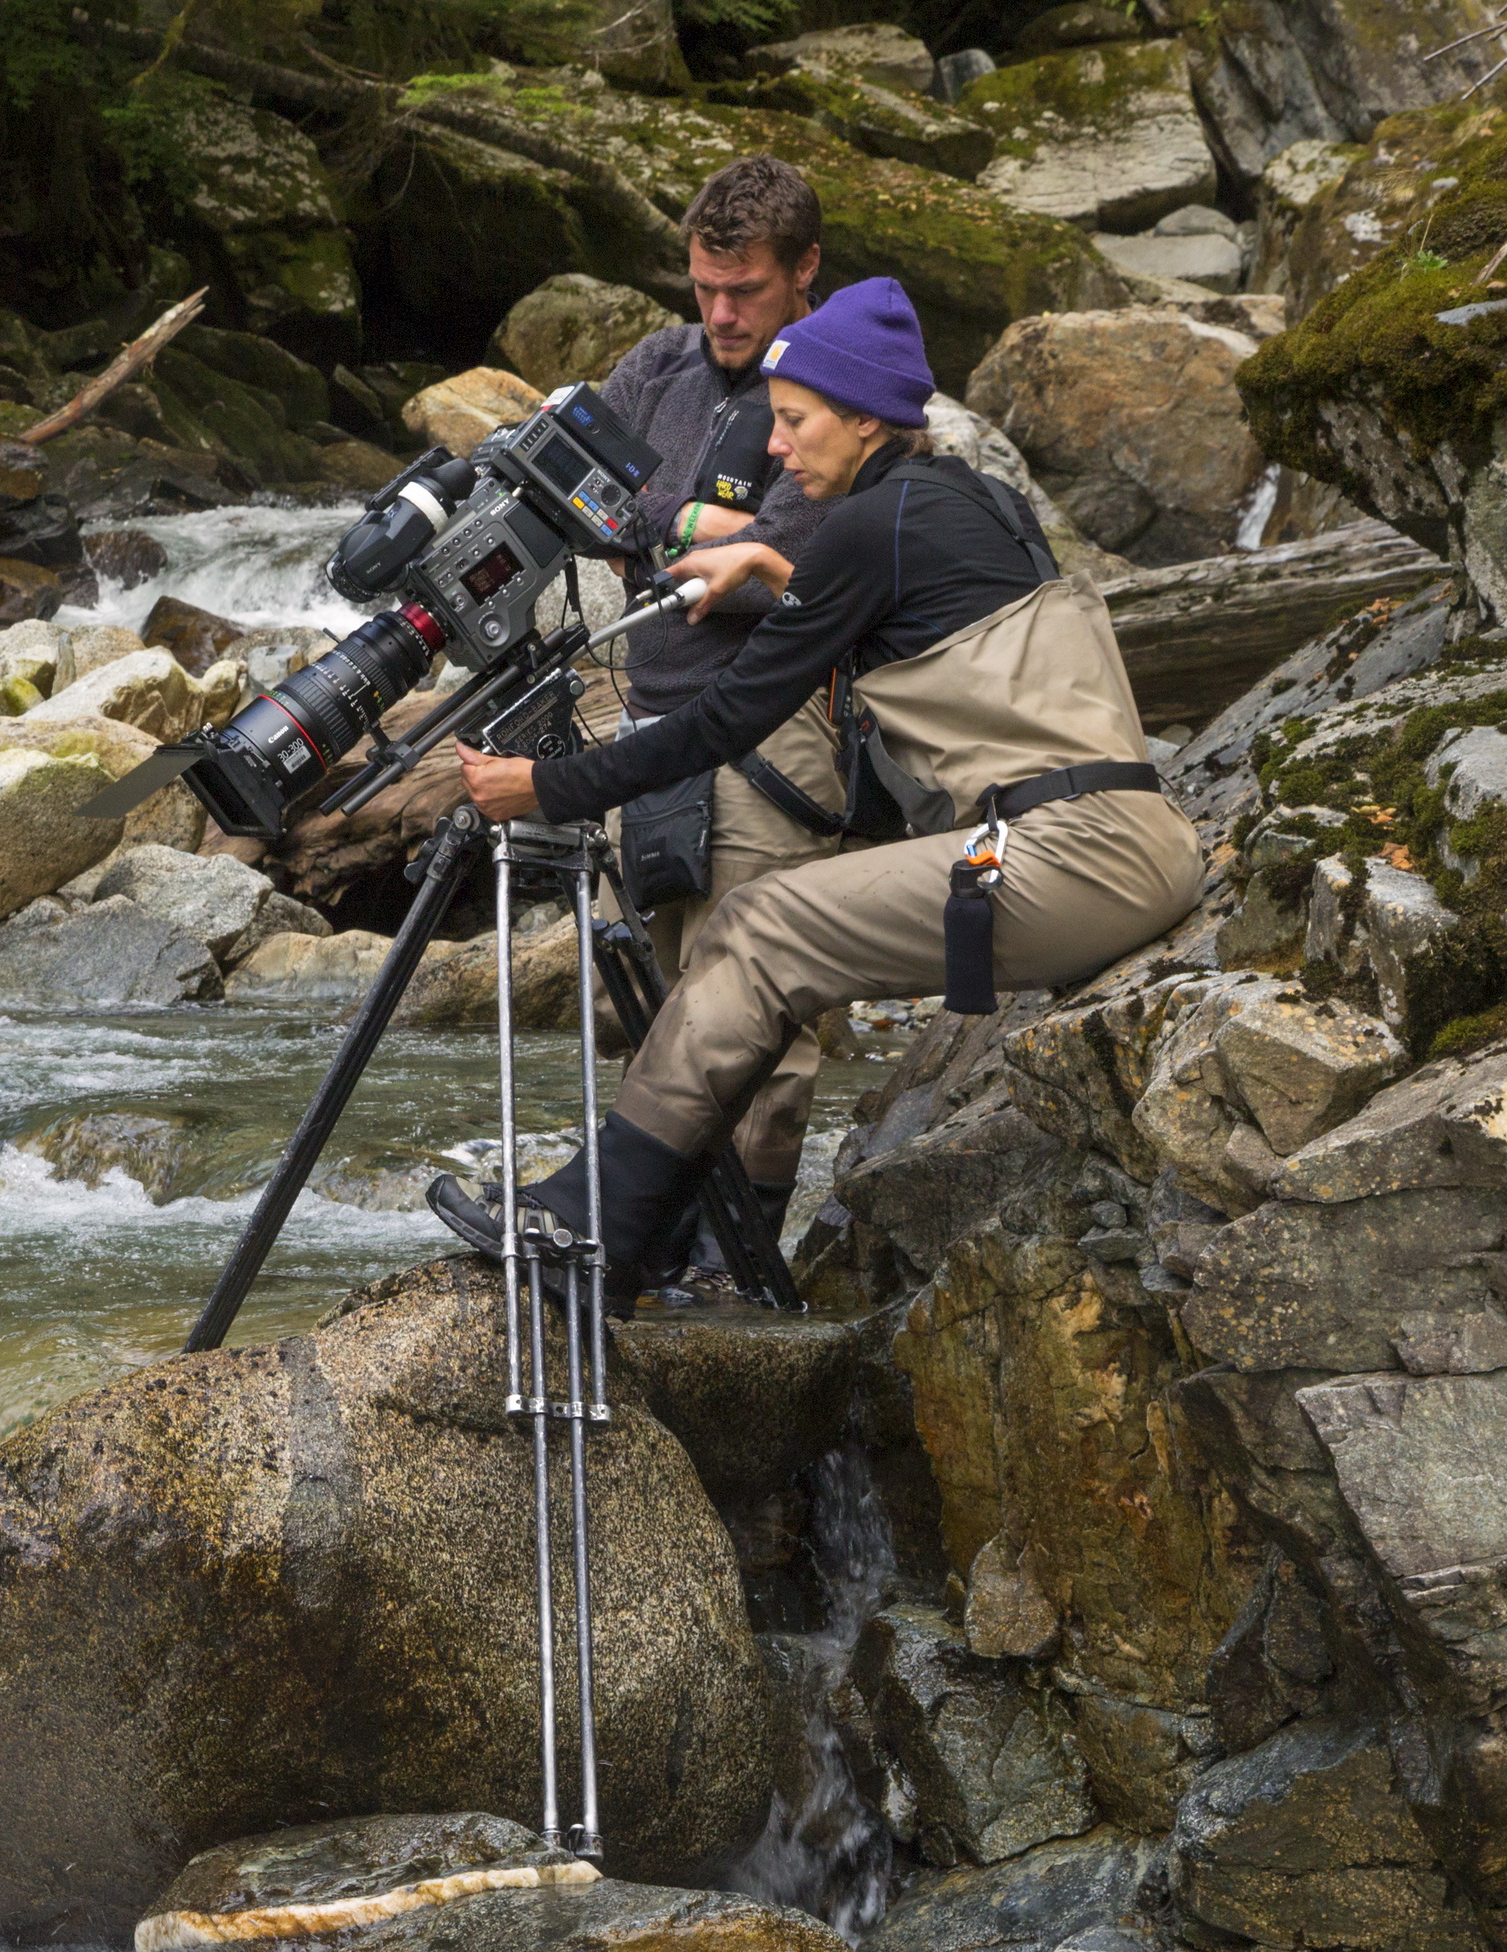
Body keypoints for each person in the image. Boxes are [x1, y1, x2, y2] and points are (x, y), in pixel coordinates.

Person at [437, 277, 1203, 1304]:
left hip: (1060, 859)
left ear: (860, 417)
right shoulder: (970, 498)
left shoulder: (861, 531)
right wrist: (765, 560)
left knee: (758, 929)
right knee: (767, 930)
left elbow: (718, 724)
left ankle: (591, 1228)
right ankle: (654, 1231)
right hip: (1133, 838)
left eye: (793, 423)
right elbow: (909, 610)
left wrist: (547, 786)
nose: (778, 450)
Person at [586, 156, 850, 1265]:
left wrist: (670, 528)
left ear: (804, 272)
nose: (721, 315)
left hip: (775, 730)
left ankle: (734, 1275)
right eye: (703, 288)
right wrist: (679, 527)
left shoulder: (843, 383)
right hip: (649, 714)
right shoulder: (661, 360)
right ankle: (642, 1248)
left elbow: (778, 549)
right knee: (645, 1010)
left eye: (742, 291)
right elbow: (584, 484)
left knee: (763, 1027)